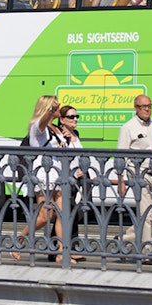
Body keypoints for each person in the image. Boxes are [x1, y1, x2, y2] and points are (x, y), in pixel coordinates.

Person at [11, 95, 70, 264]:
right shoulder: (38, 128)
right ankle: (19, 239)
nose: (59, 108)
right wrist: (51, 111)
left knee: (62, 215)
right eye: (54, 106)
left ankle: (61, 253)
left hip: (59, 176)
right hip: (45, 177)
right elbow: (43, 121)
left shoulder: (57, 129)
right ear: (47, 108)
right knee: (45, 216)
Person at [116, 94, 152, 265]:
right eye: (143, 106)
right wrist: (121, 180)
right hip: (139, 175)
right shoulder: (128, 127)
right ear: (136, 108)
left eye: (149, 106)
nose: (147, 109)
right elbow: (120, 155)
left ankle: (124, 240)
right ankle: (146, 253)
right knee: (144, 214)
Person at [54, 104, 86, 262]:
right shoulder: (60, 135)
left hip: (76, 180)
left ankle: (70, 247)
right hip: (63, 180)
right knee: (62, 214)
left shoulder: (76, 134)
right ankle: (59, 250)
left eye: (76, 116)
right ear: (62, 120)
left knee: (74, 213)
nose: (75, 119)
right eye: (71, 117)